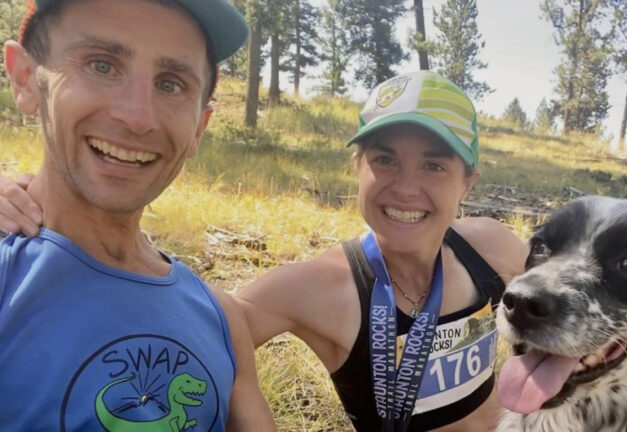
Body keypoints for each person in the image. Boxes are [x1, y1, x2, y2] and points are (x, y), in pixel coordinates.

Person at [0, 70, 528, 430]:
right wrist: (43, 203)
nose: (406, 187)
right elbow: (182, 324)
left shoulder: (491, 248)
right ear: (357, 168)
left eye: (434, 165)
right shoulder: (317, 288)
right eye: (385, 160)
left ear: (469, 182)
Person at [0, 0, 276, 430]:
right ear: (26, 78)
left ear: (199, 127)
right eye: (101, 65)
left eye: (170, 84)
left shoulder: (221, 318)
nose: (137, 116)